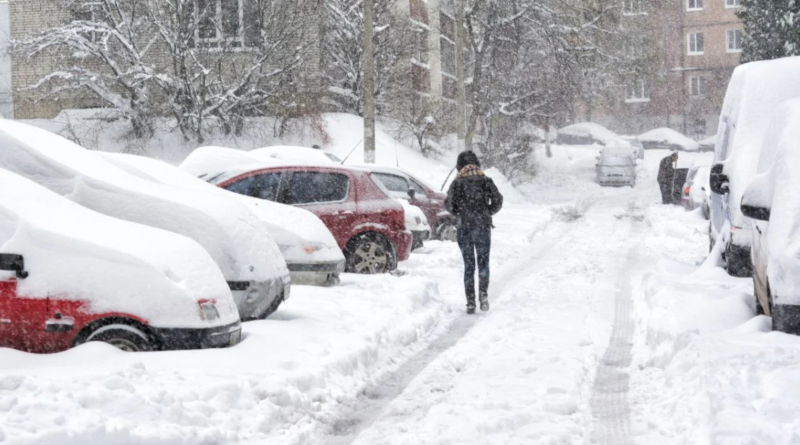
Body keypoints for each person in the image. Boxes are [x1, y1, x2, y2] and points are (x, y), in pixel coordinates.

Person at [446, 151, 504, 314]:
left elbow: (449, 205)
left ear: (460, 165)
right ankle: (483, 296)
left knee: (469, 265)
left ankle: (470, 302)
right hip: (483, 227)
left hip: (464, 228)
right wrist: (487, 212)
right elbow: (498, 200)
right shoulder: (486, 180)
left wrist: (459, 213)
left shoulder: (457, 183)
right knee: (483, 263)